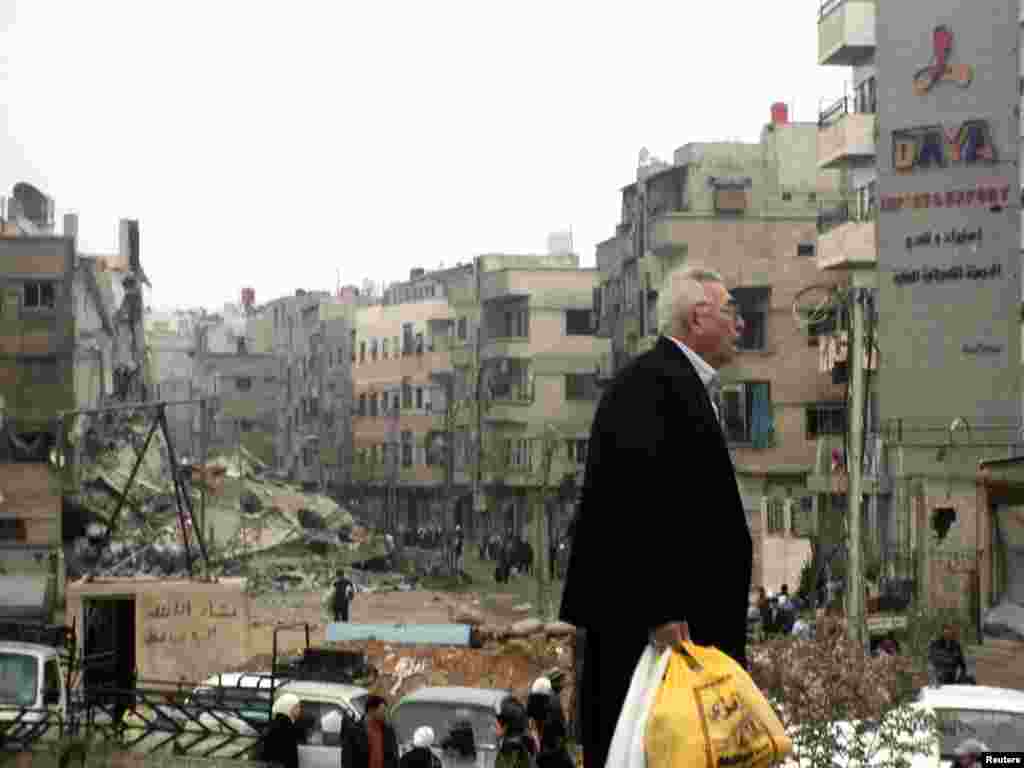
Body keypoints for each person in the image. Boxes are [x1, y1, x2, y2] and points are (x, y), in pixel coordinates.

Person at [560, 265, 753, 768]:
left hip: (685, 629)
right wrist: (660, 607)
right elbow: (632, 500)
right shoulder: (649, 385)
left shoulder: (683, 384)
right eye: (731, 311)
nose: (741, 324)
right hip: (653, 632)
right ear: (697, 317)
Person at [344, 694, 399, 768]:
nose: (385, 714)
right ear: (371, 710)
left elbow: (394, 757)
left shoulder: (388, 731)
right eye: (382, 711)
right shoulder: (355, 732)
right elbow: (347, 760)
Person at [260, 693, 301, 768]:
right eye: (297, 707)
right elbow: (290, 757)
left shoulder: (275, 724)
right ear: (288, 708)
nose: (300, 710)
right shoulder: (286, 727)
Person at [495, 698, 535, 768]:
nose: (496, 724)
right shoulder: (526, 747)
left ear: (506, 725)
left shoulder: (508, 752)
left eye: (499, 719)